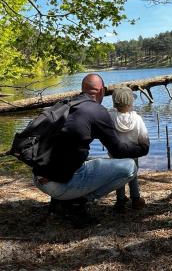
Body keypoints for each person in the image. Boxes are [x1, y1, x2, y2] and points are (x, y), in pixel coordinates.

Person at [33, 73, 149, 226]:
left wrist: (47, 172)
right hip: (58, 183)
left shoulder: (65, 105)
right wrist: (143, 149)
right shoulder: (96, 111)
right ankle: (74, 203)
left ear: (82, 89)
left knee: (85, 158)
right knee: (129, 167)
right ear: (101, 91)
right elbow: (118, 151)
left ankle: (60, 200)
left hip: (40, 178)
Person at [109, 86, 150, 212]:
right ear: (131, 102)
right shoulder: (137, 119)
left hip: (116, 154)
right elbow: (144, 138)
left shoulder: (110, 117)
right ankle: (136, 199)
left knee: (119, 177)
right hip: (133, 153)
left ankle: (120, 201)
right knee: (133, 176)